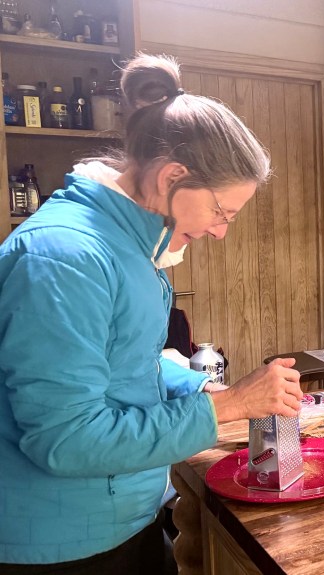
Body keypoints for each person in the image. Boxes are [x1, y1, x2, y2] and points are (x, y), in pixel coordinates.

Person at [0, 54, 303, 573]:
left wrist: (203, 388)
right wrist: (228, 407)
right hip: (65, 543)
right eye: (221, 212)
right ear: (171, 177)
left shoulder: (131, 245)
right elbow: (67, 440)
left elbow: (126, 363)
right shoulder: (66, 257)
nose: (220, 231)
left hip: (123, 517)